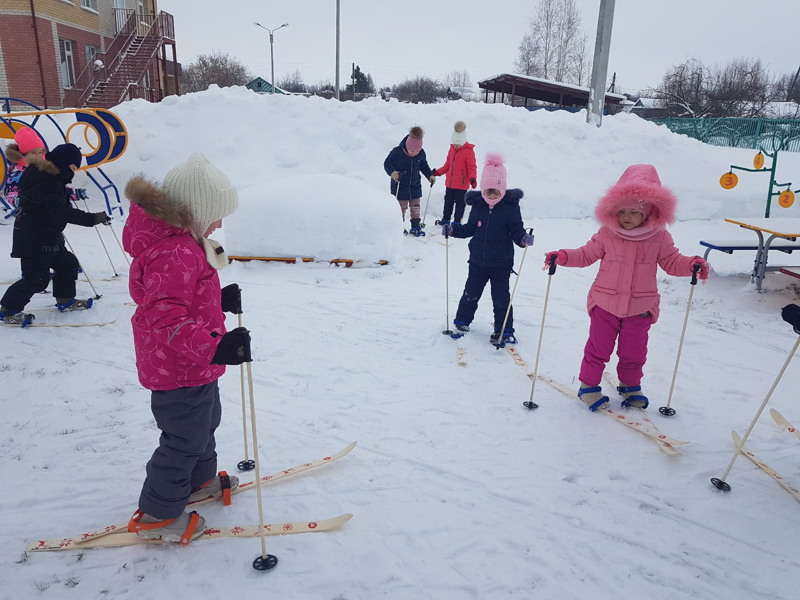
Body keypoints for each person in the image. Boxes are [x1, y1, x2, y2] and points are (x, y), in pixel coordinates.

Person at [122, 152, 252, 544]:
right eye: (216, 215)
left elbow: (184, 296)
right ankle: (158, 514)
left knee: (205, 422)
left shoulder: (184, 244)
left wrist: (217, 299)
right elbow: (167, 318)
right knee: (183, 439)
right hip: (178, 368)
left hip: (193, 365)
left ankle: (199, 481)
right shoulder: (175, 250)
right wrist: (217, 347)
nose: (220, 223)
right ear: (194, 213)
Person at [543, 164, 709, 411]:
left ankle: (630, 385)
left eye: (635, 211)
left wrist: (690, 265)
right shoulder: (607, 233)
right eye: (623, 211)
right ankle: (588, 385)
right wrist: (564, 256)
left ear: (649, 212)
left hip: (640, 306)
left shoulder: (659, 237)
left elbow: (672, 261)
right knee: (598, 348)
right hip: (605, 303)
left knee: (634, 352)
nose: (627, 217)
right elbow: (586, 254)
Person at [0, 143, 110, 325]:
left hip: (46, 235)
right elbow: (61, 211)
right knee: (37, 279)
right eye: (73, 167)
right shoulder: (47, 181)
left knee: (67, 263)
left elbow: (53, 205)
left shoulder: (47, 176)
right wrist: (93, 219)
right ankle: (8, 309)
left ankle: (65, 299)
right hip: (33, 239)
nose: (74, 172)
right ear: (65, 163)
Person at [443, 153, 533, 345]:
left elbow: (516, 229)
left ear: (502, 189)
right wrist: (453, 229)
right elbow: (470, 228)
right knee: (470, 293)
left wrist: (523, 239)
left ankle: (505, 329)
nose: (492, 196)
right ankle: (462, 322)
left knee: (501, 298)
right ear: (483, 189)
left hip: (501, 263)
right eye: (488, 191)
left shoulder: (510, 207)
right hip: (477, 261)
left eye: (496, 192)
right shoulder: (478, 205)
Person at [384, 125, 436, 237]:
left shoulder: (421, 154)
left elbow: (424, 166)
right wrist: (392, 173)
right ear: (407, 146)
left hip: (415, 185)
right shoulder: (397, 152)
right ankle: (399, 226)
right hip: (400, 185)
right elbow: (387, 163)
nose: (415, 153)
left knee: (416, 207)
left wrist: (430, 176)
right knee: (401, 208)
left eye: (417, 151)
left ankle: (415, 226)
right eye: (412, 150)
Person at [432, 120, 477, 226]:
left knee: (460, 204)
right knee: (448, 202)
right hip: (450, 183)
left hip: (462, 184)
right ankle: (446, 219)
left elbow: (472, 167)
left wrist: (472, 179)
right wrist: (437, 172)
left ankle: (457, 221)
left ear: (463, 141)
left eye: (458, 144)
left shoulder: (469, 151)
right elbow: (447, 165)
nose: (456, 146)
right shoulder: (451, 149)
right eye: (454, 143)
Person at [3, 126, 46, 209]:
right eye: (33, 153)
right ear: (25, 153)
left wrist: (72, 193)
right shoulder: (18, 170)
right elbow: (10, 190)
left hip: (44, 204)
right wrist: (18, 201)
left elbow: (55, 185)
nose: (38, 156)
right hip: (28, 207)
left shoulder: (43, 167)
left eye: (40, 152)